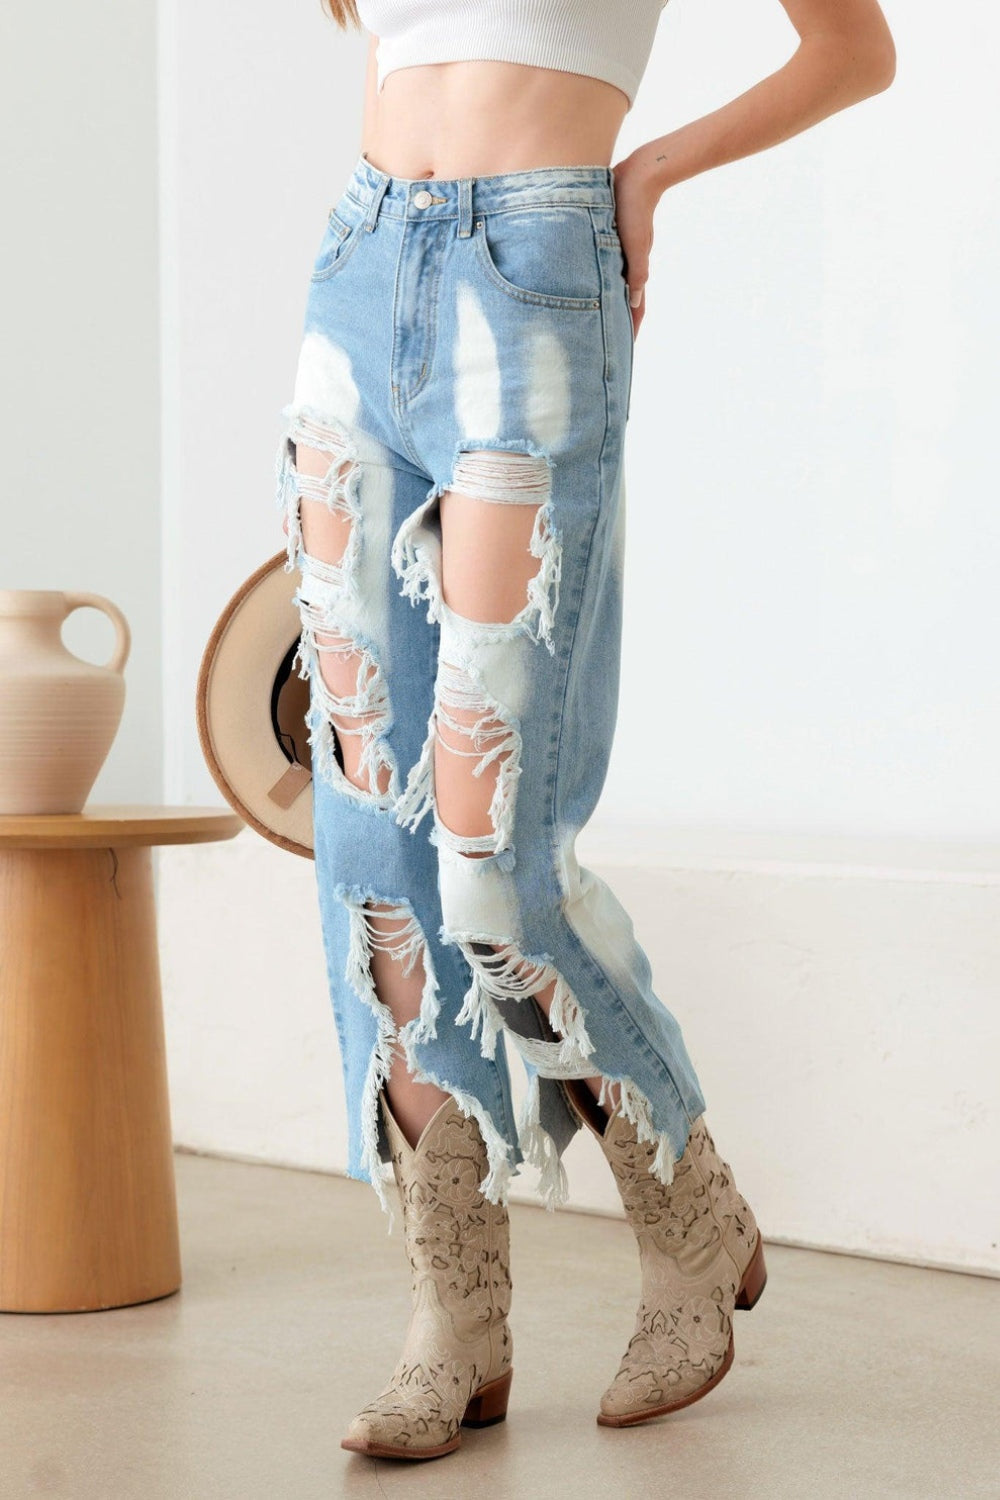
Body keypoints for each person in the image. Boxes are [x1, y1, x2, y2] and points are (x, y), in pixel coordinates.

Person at [274, 0, 895, 1462]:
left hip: (534, 275)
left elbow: (854, 49)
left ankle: (686, 1202)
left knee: (494, 851)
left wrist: (653, 170)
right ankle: (455, 1315)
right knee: (373, 848)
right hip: (362, 269)